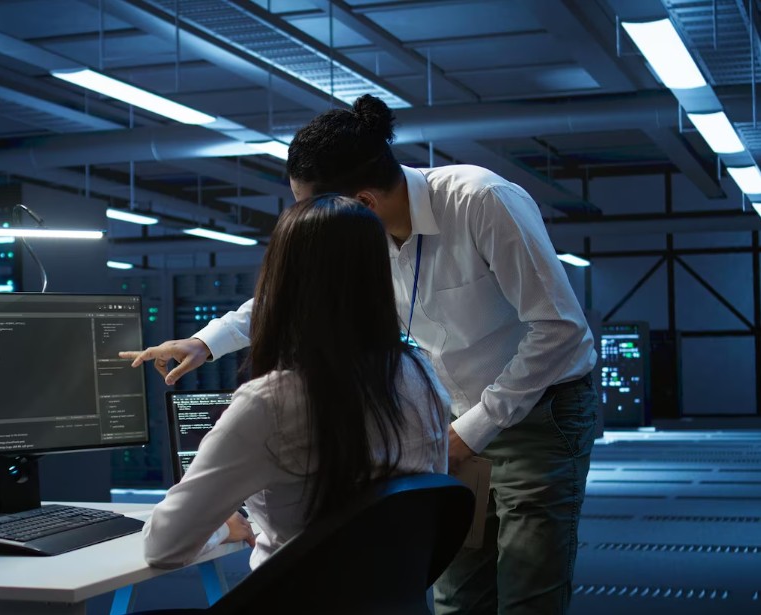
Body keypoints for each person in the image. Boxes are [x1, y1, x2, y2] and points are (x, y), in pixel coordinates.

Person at [124, 95, 598, 614]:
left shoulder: (480, 201)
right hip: (453, 418)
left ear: (362, 205)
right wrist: (205, 341)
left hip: (539, 408)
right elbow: (299, 287)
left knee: (529, 588)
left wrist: (471, 429)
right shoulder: (367, 244)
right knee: (460, 591)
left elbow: (560, 331)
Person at [140, 194, 448, 570]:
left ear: (281, 282)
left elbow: (163, 546)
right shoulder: (421, 375)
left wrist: (224, 527)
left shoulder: (271, 403)